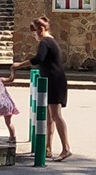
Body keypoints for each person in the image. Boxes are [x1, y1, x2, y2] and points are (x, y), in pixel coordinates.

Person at [12, 17, 71, 161]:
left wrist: (20, 65)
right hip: (53, 80)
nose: (34, 37)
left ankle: (66, 148)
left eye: (34, 34)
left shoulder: (45, 41)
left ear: (41, 29)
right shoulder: (51, 40)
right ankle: (48, 148)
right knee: (49, 117)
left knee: (56, 115)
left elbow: (39, 58)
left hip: (54, 81)